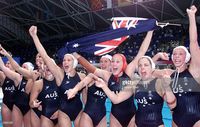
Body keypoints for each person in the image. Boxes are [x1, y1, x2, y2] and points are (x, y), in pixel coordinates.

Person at [72, 30, 154, 127]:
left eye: (117, 62)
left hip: (131, 115)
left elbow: (141, 52)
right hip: (115, 116)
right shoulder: (108, 75)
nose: (114, 64)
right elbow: (90, 67)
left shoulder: (128, 72)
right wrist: (74, 54)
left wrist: (150, 31)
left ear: (123, 63)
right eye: (113, 61)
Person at [29, 25, 86, 127]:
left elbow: (85, 97)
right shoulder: (60, 75)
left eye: (69, 60)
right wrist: (34, 36)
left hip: (79, 111)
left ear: (75, 63)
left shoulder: (82, 76)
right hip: (64, 113)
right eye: (64, 60)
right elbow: (45, 56)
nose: (65, 62)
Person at [94, 56, 176, 127]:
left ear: (152, 68)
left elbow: (172, 106)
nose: (142, 67)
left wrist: (167, 87)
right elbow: (116, 99)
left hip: (156, 124)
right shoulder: (134, 84)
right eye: (140, 65)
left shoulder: (159, 83)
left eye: (146, 65)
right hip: (138, 124)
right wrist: (104, 86)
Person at [153, 5, 200, 127]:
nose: (177, 56)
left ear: (187, 57)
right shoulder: (168, 73)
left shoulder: (194, 71)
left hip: (196, 120)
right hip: (176, 120)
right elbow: (146, 69)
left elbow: (194, 42)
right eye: (174, 54)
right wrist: (157, 55)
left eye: (181, 54)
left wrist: (191, 16)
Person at [66, 55, 112, 127]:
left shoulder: (112, 82)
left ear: (111, 64)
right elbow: (83, 83)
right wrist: (74, 90)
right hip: (88, 114)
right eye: (101, 62)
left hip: (102, 116)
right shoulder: (93, 77)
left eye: (106, 61)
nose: (103, 64)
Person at [0, 45, 37, 127]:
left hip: (28, 108)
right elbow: (2, 67)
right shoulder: (17, 78)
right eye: (22, 67)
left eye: (25, 67)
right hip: (14, 106)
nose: (22, 69)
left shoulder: (35, 80)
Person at [30, 63, 59, 127]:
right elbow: (31, 103)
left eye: (49, 64)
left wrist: (60, 111)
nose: (48, 66)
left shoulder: (59, 81)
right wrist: (34, 103)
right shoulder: (38, 83)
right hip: (44, 114)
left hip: (60, 114)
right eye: (46, 64)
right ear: (43, 68)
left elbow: (66, 100)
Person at [0, 59, 16, 127]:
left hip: (17, 105)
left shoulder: (20, 77)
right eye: (6, 63)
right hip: (6, 104)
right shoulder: (3, 77)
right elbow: (1, 65)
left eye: (9, 63)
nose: (7, 65)